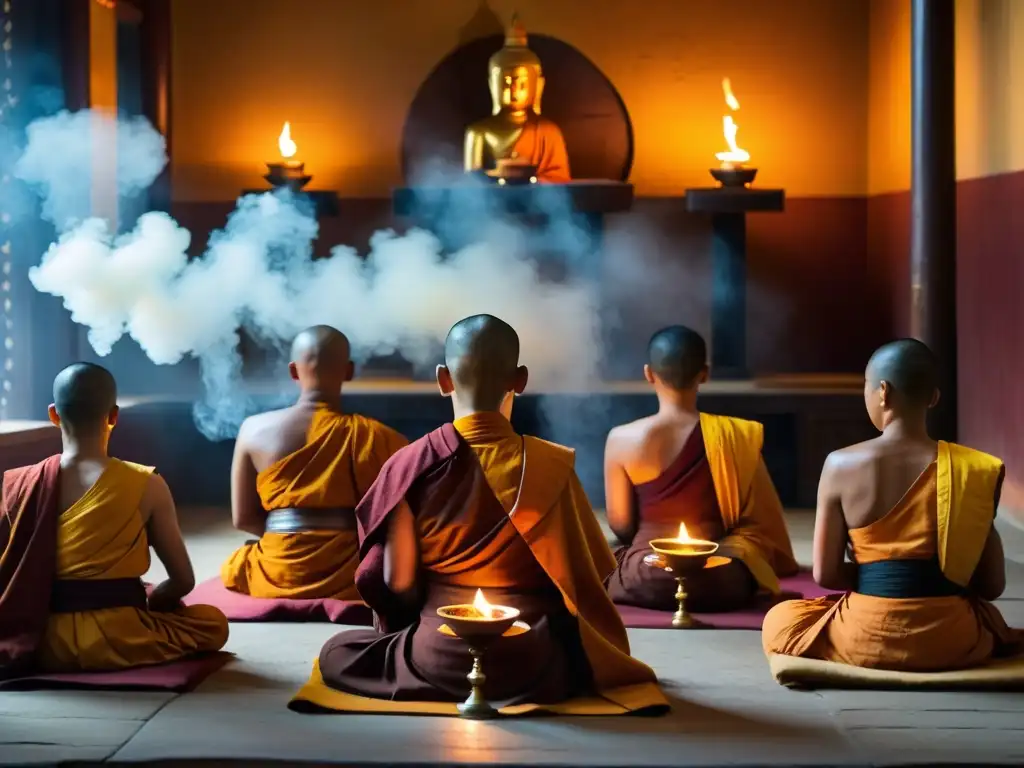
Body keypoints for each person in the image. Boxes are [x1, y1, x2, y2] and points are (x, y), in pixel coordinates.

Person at [293, 315, 666, 714]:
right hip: (529, 660)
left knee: (338, 651)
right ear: (520, 380)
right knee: (574, 654)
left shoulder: (411, 464)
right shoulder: (549, 465)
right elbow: (586, 579)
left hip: (437, 653)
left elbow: (396, 583)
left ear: (443, 379)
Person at [762, 339, 1021, 671]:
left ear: (882, 391)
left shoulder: (840, 464)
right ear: (934, 397)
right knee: (990, 622)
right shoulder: (973, 471)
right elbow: (992, 586)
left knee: (781, 618)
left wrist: (882, 579)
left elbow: (825, 574)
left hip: (865, 635)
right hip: (952, 641)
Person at [0, 363, 227, 675]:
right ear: (113, 416)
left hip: (40, 638)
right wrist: (153, 601)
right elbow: (183, 580)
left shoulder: (18, 482)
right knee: (211, 622)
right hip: (122, 637)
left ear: (54, 415)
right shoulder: (146, 482)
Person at [604, 326, 797, 612]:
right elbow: (755, 518)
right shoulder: (732, 435)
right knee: (739, 566)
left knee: (604, 558)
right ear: (704, 374)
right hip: (717, 577)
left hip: (646, 575)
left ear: (648, 374)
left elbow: (620, 525)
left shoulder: (622, 438)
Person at [221, 326, 407, 600]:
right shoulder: (383, 437)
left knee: (236, 564)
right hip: (350, 572)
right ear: (349, 371)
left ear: (293, 371)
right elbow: (397, 522)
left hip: (278, 568)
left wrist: (295, 541)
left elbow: (243, 518)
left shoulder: (253, 429)